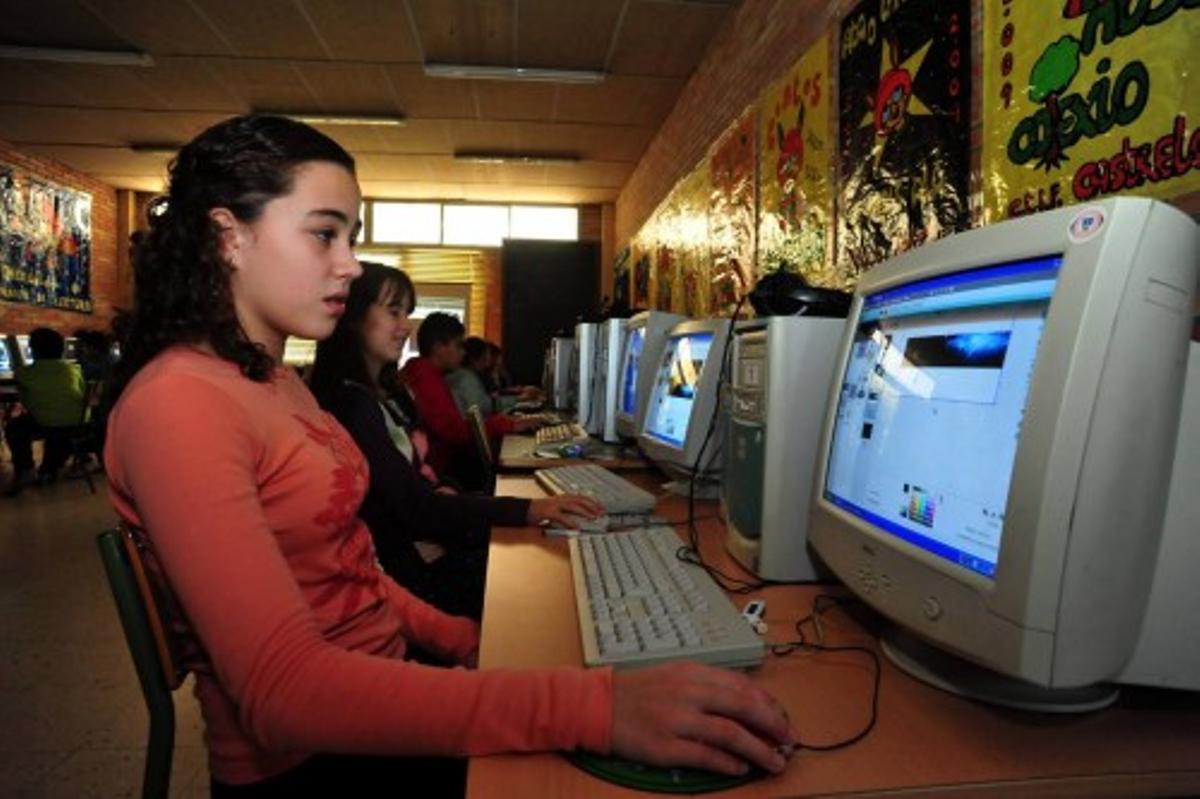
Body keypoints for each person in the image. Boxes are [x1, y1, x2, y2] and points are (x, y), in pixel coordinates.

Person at [103, 114, 793, 796]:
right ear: (229, 237)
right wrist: (598, 708)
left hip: (380, 695)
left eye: (352, 237)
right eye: (324, 234)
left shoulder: (275, 382)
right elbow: (282, 693)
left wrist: (459, 635)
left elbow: (350, 568)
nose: (349, 264)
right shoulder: (180, 403)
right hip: (313, 762)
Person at [309, 262, 601, 619]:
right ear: (353, 315)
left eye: (406, 314)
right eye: (393, 311)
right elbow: (415, 507)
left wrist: (479, 499)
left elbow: (418, 485)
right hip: (412, 572)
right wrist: (529, 509)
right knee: (550, 580)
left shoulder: (383, 394)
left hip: (427, 534)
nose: (405, 327)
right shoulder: (353, 406)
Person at [401, 313, 540, 489]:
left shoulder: (427, 373)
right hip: (441, 475)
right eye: (458, 345)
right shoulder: (425, 377)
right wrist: (507, 424)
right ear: (438, 347)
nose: (464, 352)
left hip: (440, 468)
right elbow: (455, 432)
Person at [4, 328, 86, 495]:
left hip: (46, 423)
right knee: (55, 419)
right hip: (79, 423)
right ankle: (51, 466)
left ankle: (25, 468)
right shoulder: (74, 369)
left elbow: (24, 401)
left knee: (14, 427)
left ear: (33, 350)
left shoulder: (24, 373)